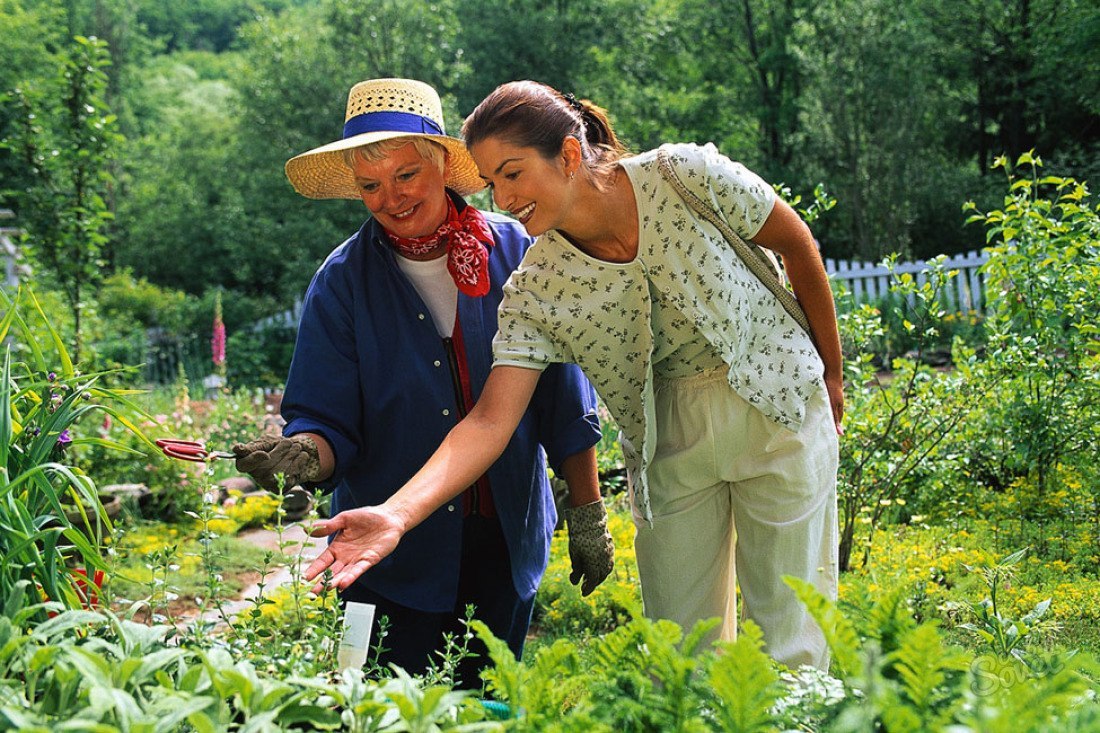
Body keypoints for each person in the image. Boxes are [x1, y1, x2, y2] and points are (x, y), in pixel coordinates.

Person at [304, 80, 843, 670]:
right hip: (668, 430)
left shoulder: (681, 176)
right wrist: (395, 514)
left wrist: (832, 376)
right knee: (683, 655)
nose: (503, 199)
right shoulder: (538, 282)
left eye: (513, 174)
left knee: (794, 634)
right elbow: (490, 419)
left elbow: (795, 241)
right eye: (492, 183)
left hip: (776, 399)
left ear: (565, 154)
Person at [231, 78, 611, 688]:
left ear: (441, 163)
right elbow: (326, 420)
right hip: (381, 555)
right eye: (370, 186)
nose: (390, 198)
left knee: (488, 705)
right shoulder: (343, 281)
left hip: (504, 536)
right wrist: (301, 456)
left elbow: (566, 401)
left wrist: (587, 513)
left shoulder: (520, 251)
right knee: (380, 707)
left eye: (405, 175)